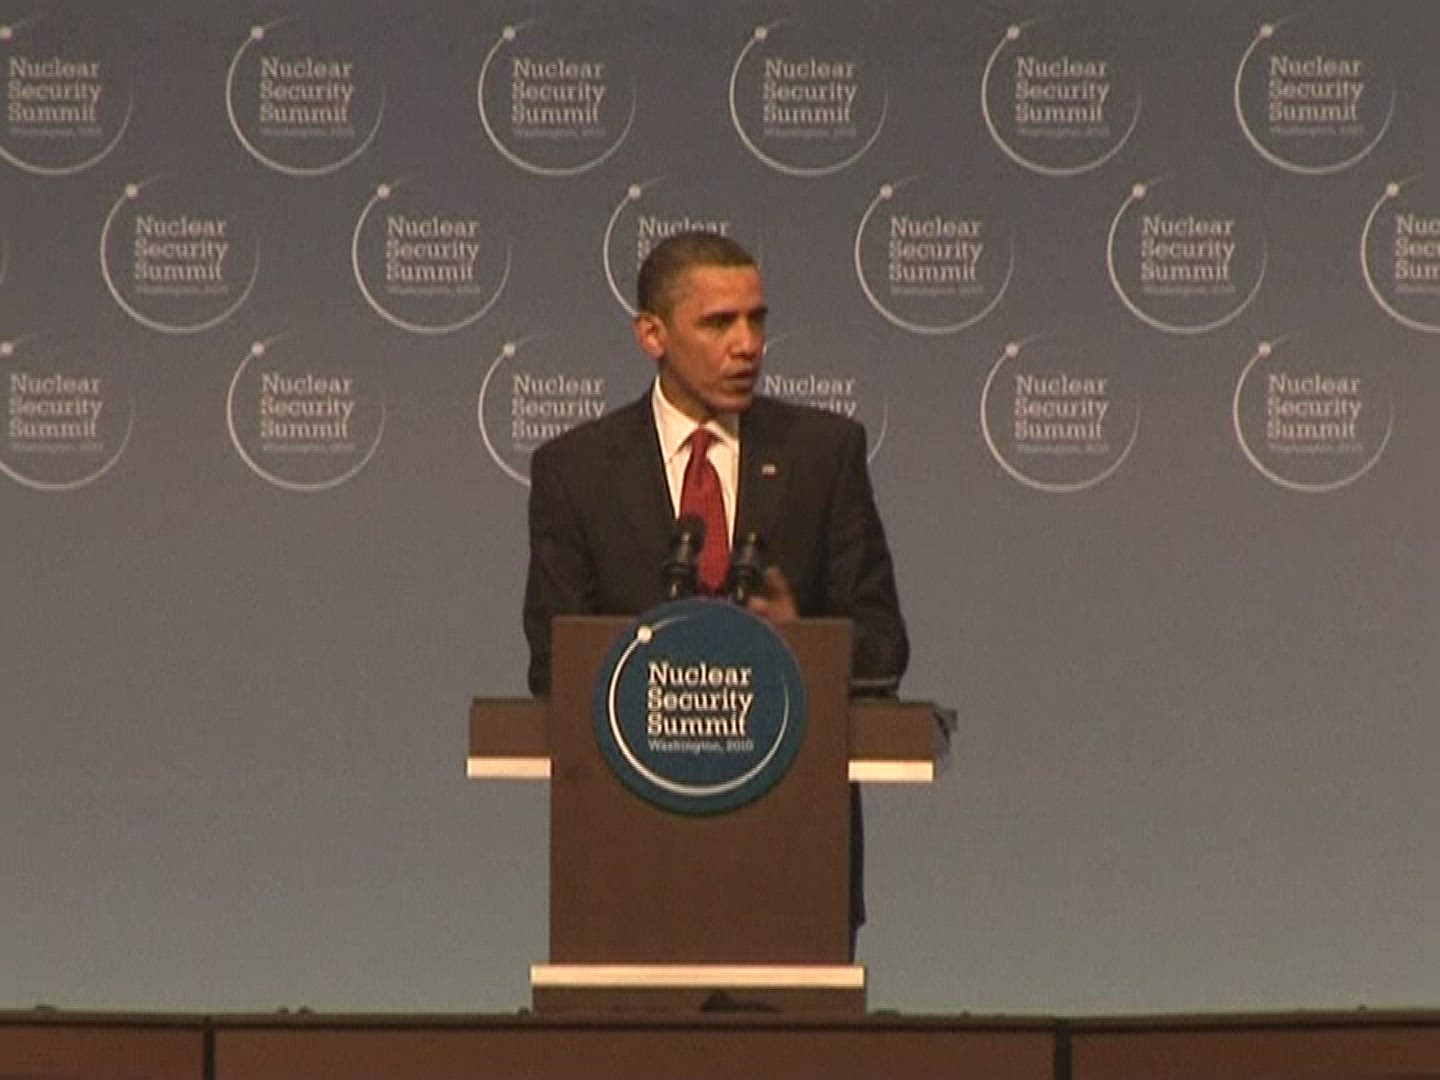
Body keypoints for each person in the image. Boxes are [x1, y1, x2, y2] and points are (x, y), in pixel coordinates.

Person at [522, 230, 908, 953]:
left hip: (793, 856)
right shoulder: (575, 470)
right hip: (628, 858)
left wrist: (802, 645)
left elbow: (885, 645)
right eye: (719, 322)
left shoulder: (823, 455)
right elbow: (554, 663)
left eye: (757, 320)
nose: (747, 345)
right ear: (653, 335)